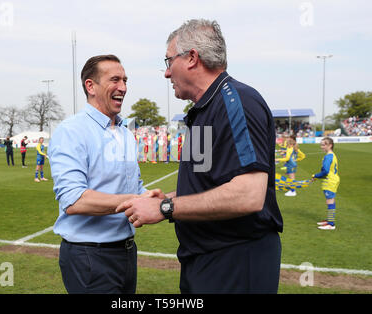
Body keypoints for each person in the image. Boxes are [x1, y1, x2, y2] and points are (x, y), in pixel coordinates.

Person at [116, 19, 283, 294]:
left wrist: (165, 209)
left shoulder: (237, 101)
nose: (166, 73)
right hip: (206, 260)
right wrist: (168, 198)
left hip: (235, 262)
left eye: (169, 61)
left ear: (192, 57)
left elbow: (249, 195)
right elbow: (210, 185)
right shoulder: (204, 110)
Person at [48, 54, 162, 294]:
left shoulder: (124, 132)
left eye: (125, 80)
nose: (123, 87)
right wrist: (135, 200)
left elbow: (132, 186)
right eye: (115, 80)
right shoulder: (72, 131)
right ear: (91, 86)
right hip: (89, 256)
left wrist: (149, 197)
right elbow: (74, 200)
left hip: (127, 252)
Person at [312, 137, 340, 230]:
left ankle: (331, 224)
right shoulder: (331, 155)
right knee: (330, 200)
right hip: (332, 180)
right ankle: (329, 220)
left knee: (330, 201)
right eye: (321, 144)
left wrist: (315, 175)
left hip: (330, 181)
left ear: (330, 145)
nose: (321, 147)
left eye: (324, 145)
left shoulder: (329, 156)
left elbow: (325, 171)